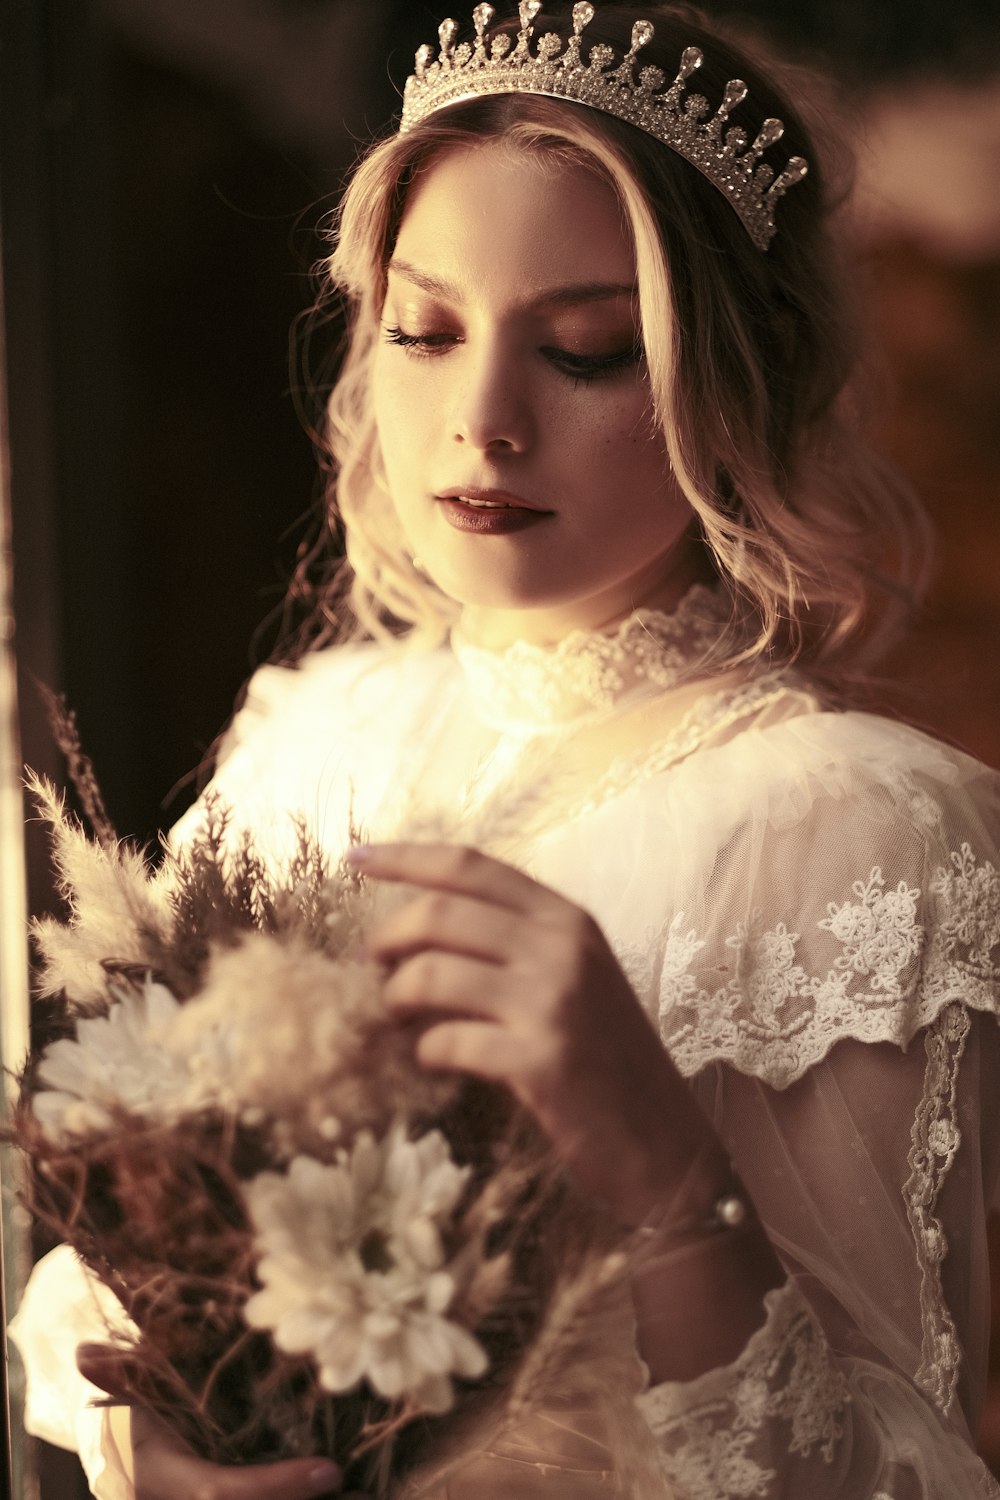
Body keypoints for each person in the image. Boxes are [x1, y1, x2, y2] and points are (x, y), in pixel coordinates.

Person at [11, 2, 1000, 1496]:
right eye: (426, 329)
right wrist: (155, 1441)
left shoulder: (853, 830)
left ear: (734, 383)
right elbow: (110, 1274)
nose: (481, 420)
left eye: (589, 351)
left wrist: (663, 1165)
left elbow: (885, 1474)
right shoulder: (315, 735)